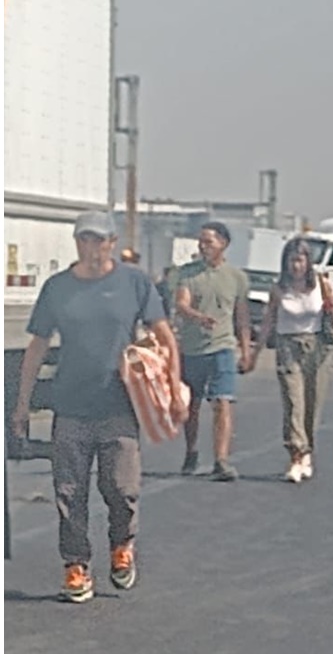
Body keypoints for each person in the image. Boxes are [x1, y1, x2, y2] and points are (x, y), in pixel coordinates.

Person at [12, 211, 187, 603]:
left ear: (112, 242)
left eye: (99, 240)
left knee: (121, 489)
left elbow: (164, 337)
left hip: (120, 406)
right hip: (71, 407)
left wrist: (174, 391)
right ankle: (75, 565)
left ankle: (122, 545)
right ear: (77, 243)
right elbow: (37, 347)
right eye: (84, 240)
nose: (92, 248)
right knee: (69, 492)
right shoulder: (58, 288)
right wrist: (21, 404)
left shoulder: (134, 283)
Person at [246, 238, 333, 483]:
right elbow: (268, 322)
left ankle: (307, 451)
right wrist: (255, 352)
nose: (296, 266)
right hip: (287, 346)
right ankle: (296, 454)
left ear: (308, 262)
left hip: (315, 347)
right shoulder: (278, 289)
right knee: (293, 402)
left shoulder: (321, 284)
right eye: (292, 260)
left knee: (312, 403)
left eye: (301, 260)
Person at [174, 222, 251, 482]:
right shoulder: (187, 274)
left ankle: (221, 459)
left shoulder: (237, 278)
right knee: (192, 405)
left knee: (222, 402)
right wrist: (197, 317)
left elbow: (241, 317)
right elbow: (181, 304)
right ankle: (191, 450)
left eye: (209, 241)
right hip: (192, 349)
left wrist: (246, 349)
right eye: (201, 241)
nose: (203, 246)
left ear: (223, 243)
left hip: (222, 347)